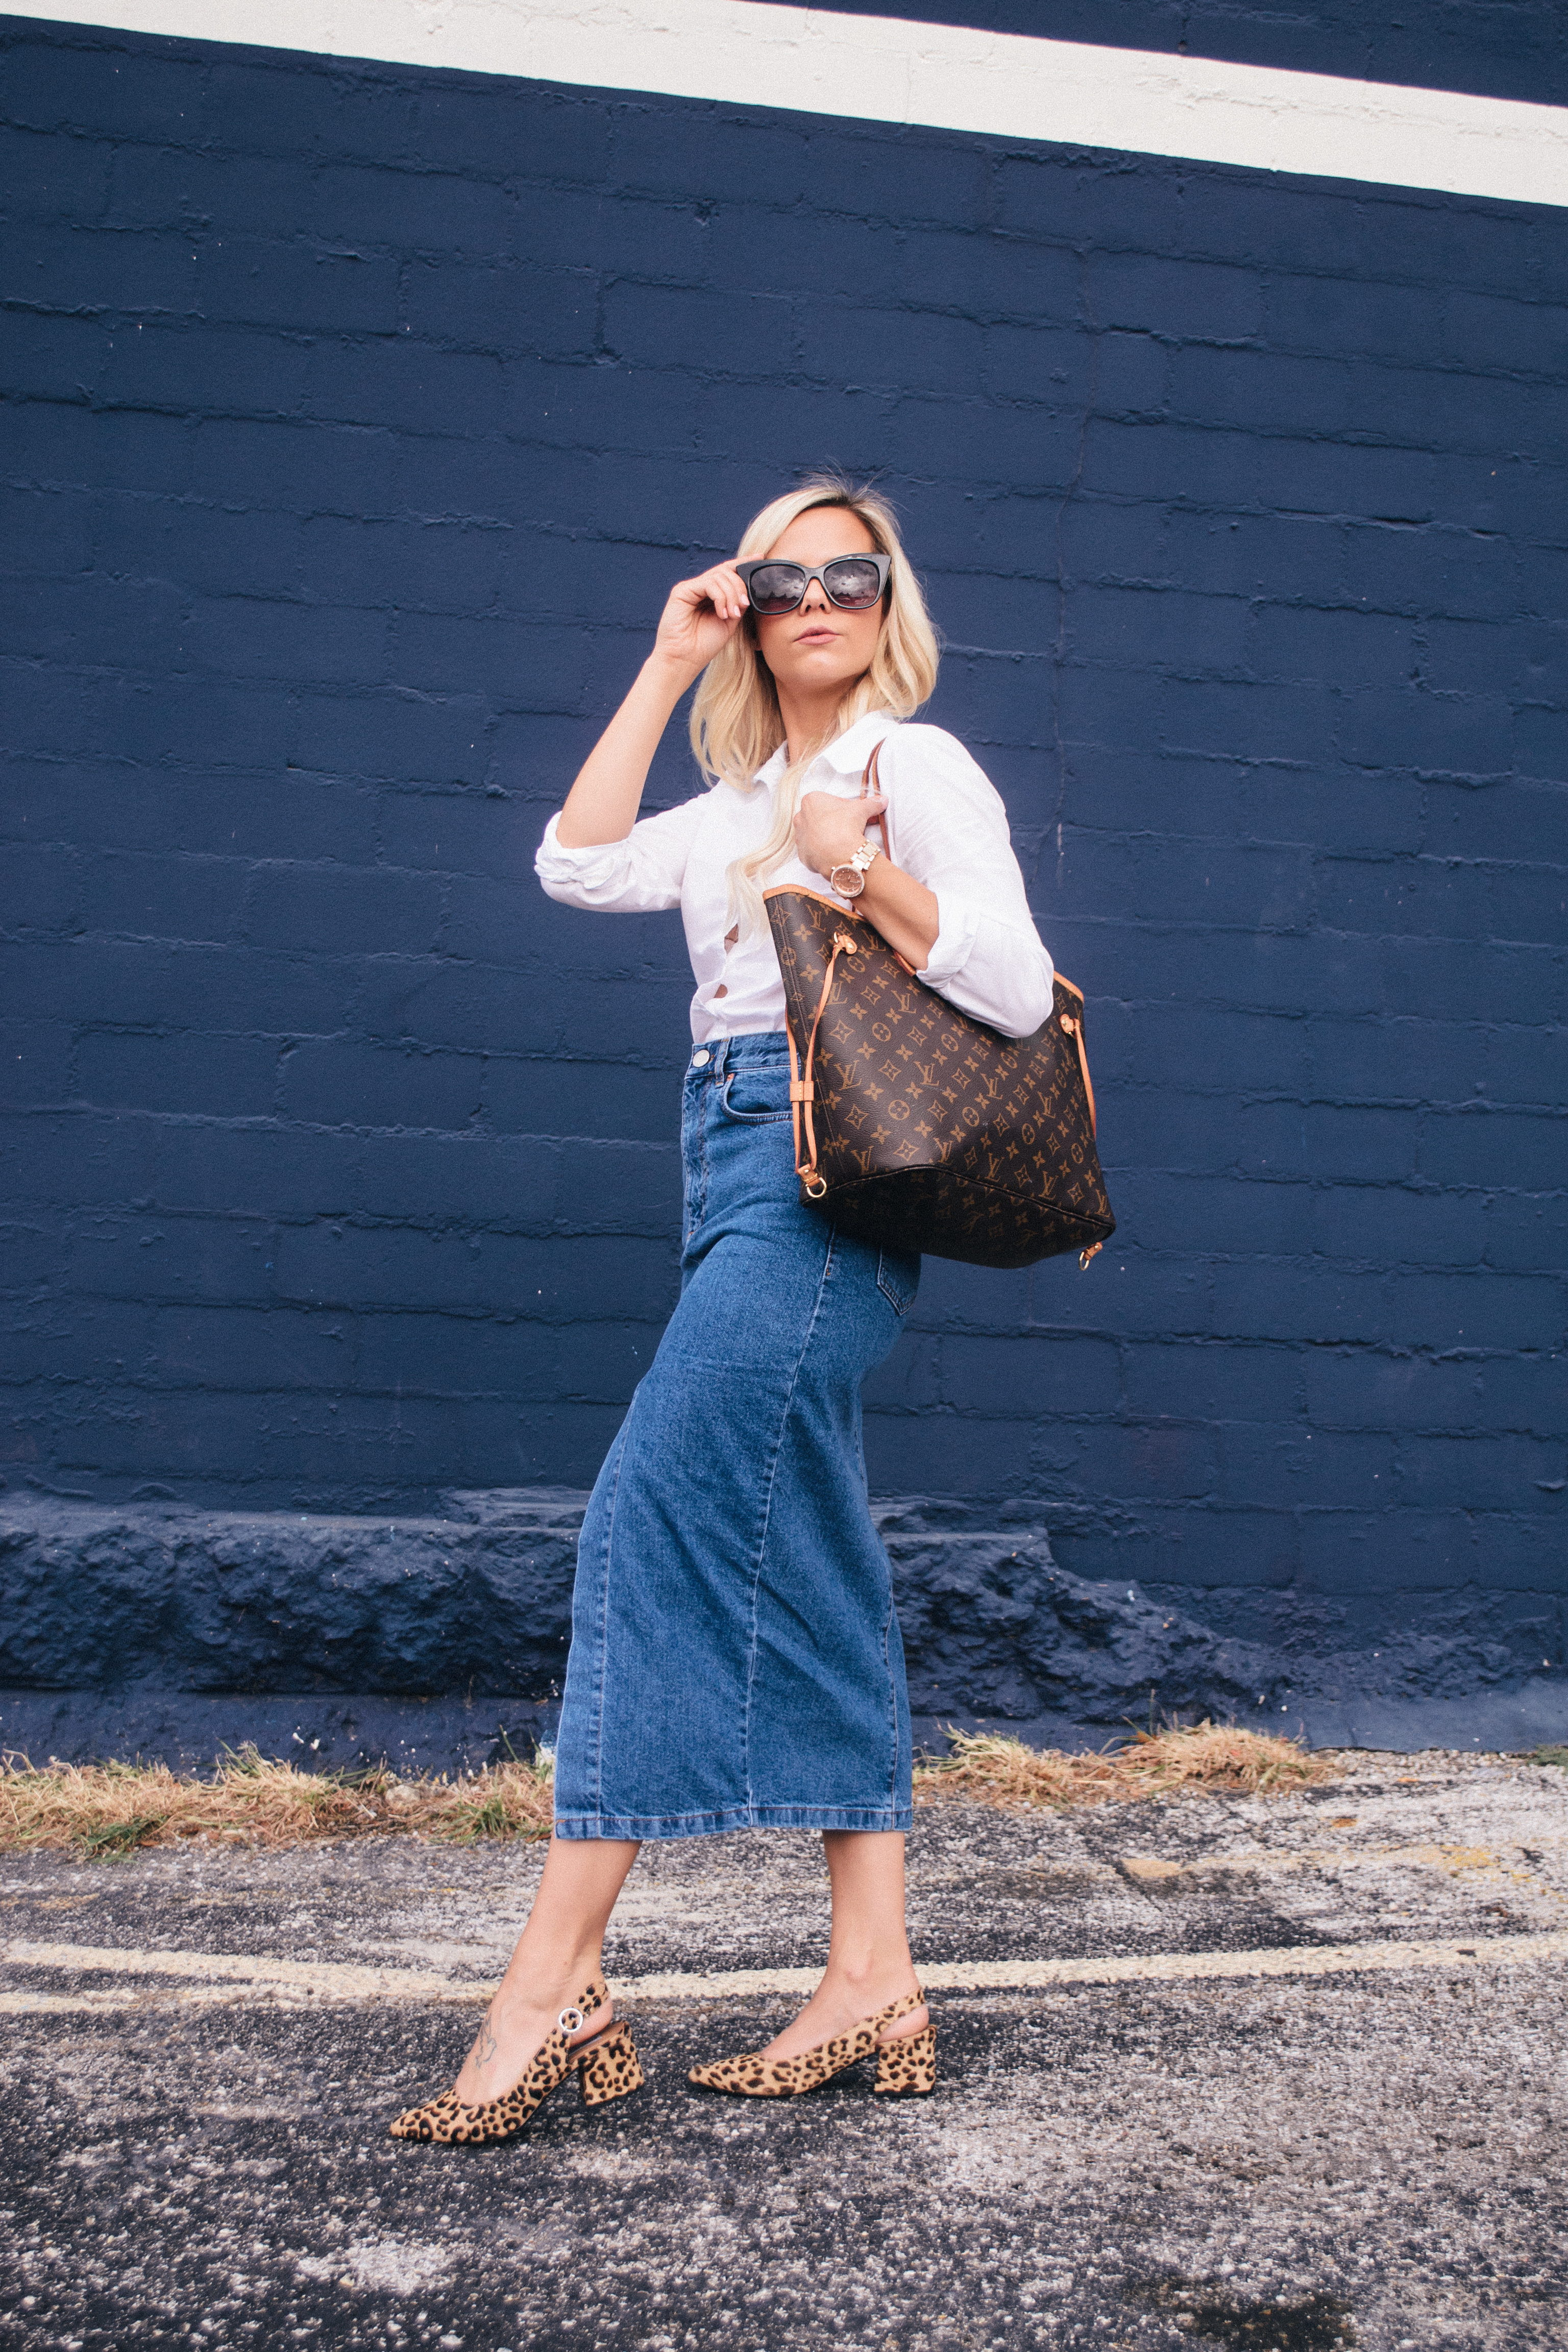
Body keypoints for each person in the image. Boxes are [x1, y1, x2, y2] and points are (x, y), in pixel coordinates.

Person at [390, 474, 1054, 2144]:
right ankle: (873, 1977)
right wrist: (667, 664)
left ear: (888, 596)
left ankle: (552, 1989)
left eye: (853, 570)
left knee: (641, 1520)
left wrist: (864, 880)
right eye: (784, 574)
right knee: (813, 1557)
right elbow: (572, 861)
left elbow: (1021, 988)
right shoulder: (742, 788)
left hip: (823, 1185)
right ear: (750, 602)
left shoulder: (917, 765)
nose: (819, 594)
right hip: (727, 1162)